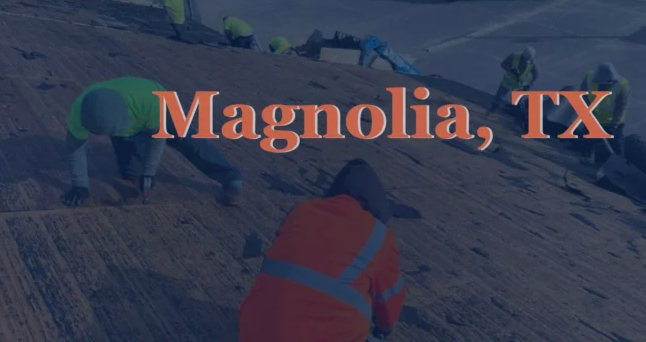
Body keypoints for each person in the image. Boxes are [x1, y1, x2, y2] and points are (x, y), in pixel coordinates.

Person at [238, 159, 405, 342]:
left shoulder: (302, 211)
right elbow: (389, 306)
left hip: (253, 333)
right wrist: (383, 330)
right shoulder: (379, 235)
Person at [61, 77, 244, 207]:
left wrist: (150, 173)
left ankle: (231, 177)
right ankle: (135, 148)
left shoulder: (150, 105)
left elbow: (158, 139)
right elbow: (75, 149)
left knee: (190, 143)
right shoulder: (80, 112)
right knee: (131, 173)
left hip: (159, 103)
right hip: (130, 121)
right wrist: (80, 186)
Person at [578, 62, 630, 162]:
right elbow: (582, 95)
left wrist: (614, 124)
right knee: (588, 140)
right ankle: (588, 157)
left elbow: (621, 107)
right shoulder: (590, 77)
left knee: (616, 144)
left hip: (612, 122)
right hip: (592, 118)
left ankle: (621, 161)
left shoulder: (622, 86)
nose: (603, 86)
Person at [487, 46, 539, 115]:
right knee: (499, 96)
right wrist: (511, 70)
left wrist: (529, 84)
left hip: (519, 84)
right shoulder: (514, 56)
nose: (526, 61)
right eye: (525, 59)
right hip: (508, 81)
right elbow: (503, 64)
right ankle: (493, 109)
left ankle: (519, 114)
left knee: (519, 101)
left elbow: (536, 75)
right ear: (523, 56)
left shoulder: (532, 62)